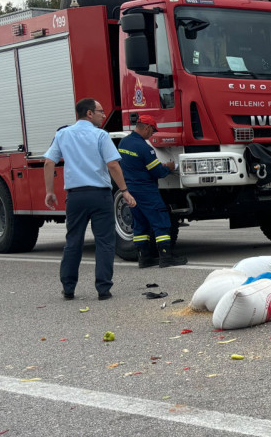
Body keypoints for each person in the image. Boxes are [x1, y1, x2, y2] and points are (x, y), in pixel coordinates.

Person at [44, 98, 137, 300]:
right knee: (104, 241)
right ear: (89, 113)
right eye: (100, 111)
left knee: (73, 241)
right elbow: (113, 165)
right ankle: (103, 289)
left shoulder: (62, 134)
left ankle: (68, 288)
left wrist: (49, 192)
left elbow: (49, 163)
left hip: (75, 196)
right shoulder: (101, 136)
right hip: (100, 196)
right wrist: (125, 191)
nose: (103, 115)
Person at [118, 114, 187, 268]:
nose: (152, 134)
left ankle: (144, 258)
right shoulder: (144, 147)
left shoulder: (123, 143)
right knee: (161, 222)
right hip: (146, 190)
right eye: (152, 131)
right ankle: (166, 258)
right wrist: (168, 167)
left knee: (140, 224)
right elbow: (157, 171)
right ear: (147, 127)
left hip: (131, 190)